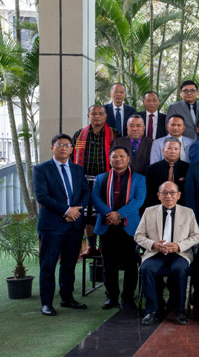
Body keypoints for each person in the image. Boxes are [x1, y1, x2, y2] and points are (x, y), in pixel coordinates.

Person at [34, 134, 91, 316]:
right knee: (48, 265)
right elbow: (42, 196)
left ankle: (67, 298)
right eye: (60, 145)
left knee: (69, 264)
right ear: (52, 148)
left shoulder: (77, 169)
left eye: (67, 145)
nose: (64, 148)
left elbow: (85, 192)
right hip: (52, 225)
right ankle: (47, 303)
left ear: (72, 149)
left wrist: (76, 211)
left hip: (74, 225)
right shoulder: (41, 169)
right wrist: (67, 210)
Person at [134, 181, 199, 325]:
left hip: (179, 254)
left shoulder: (188, 212)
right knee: (147, 268)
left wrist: (179, 246)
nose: (168, 196)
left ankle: (179, 310)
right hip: (155, 253)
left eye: (172, 193)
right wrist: (153, 244)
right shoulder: (149, 211)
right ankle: (152, 310)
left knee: (179, 269)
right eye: (164, 193)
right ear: (158, 195)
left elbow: (196, 236)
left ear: (178, 195)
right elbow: (138, 236)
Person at [91, 146, 146, 310]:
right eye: (114, 156)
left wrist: (119, 214)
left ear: (128, 159)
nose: (118, 159)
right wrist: (109, 214)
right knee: (109, 264)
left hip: (129, 227)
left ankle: (128, 298)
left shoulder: (138, 179)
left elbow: (139, 200)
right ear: (110, 159)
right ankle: (111, 297)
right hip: (107, 226)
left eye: (122, 156)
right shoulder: (101, 178)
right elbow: (95, 198)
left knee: (130, 264)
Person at [72, 104, 120, 258]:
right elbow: (73, 158)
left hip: (107, 180)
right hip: (84, 180)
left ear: (106, 116)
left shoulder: (114, 134)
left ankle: (104, 246)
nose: (97, 117)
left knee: (104, 211)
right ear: (88, 116)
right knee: (87, 214)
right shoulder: (79, 134)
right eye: (94, 114)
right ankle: (91, 245)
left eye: (100, 114)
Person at [145, 138, 189, 208]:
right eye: (169, 148)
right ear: (163, 150)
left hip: (182, 207)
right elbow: (149, 193)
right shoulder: (152, 169)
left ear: (180, 151)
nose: (172, 151)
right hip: (157, 206)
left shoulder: (188, 168)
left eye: (176, 149)